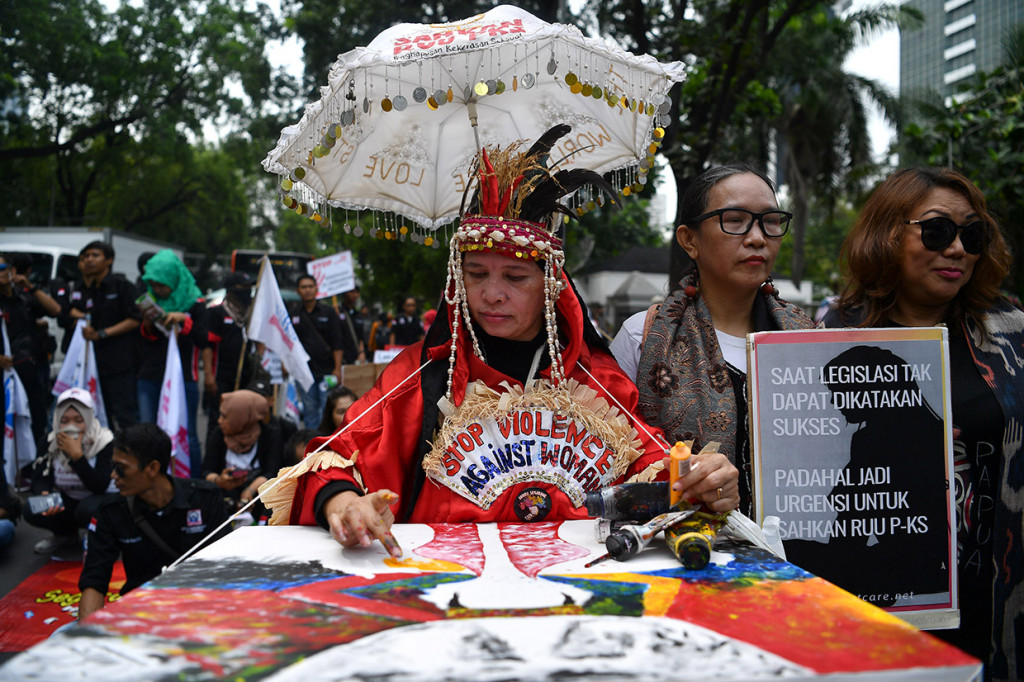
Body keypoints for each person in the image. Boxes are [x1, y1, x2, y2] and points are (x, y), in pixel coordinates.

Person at [260, 127, 740, 557]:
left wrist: (701, 479)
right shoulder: (422, 380)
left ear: (551, 283)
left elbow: (656, 473)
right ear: (457, 278)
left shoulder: (596, 383)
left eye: (514, 276)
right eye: (476, 273)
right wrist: (344, 503)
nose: (492, 294)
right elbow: (334, 461)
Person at [819, 167, 1020, 681]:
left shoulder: (1012, 330)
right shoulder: (829, 335)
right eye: (937, 231)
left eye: (972, 234)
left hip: (996, 600)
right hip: (880, 605)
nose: (957, 249)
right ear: (888, 235)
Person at [611, 163, 813, 517]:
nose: (757, 237)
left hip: (800, 551)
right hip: (687, 554)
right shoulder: (643, 338)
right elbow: (606, 463)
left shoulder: (810, 339)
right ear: (690, 240)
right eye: (734, 220)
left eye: (770, 221)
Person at [77, 423, 230, 621]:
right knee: (61, 637)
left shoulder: (205, 499)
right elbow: (94, 582)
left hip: (197, 607)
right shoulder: (110, 511)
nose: (113, 476)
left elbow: (227, 568)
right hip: (141, 611)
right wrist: (86, 635)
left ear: (152, 468)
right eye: (113, 466)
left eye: (121, 469)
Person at [137, 250, 208, 474]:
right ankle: (152, 480)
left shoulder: (195, 303)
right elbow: (144, 340)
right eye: (153, 285)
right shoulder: (152, 300)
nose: (157, 290)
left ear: (173, 279)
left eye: (161, 285)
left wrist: (183, 320)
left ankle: (193, 481)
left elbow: (203, 337)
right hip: (150, 376)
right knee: (148, 432)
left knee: (187, 435)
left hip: (183, 378)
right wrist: (148, 322)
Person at [58, 241, 142, 431]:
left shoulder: (122, 286)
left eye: (95, 256)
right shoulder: (83, 288)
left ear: (109, 260)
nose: (89, 260)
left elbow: (135, 319)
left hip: (118, 365)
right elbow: (66, 314)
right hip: (90, 367)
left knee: (125, 416)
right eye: (86, 256)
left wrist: (102, 334)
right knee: (94, 416)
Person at [24, 388, 116, 555]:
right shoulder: (50, 440)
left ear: (88, 419)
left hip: (102, 500)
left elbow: (100, 485)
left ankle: (100, 537)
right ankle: (64, 535)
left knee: (87, 509)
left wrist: (77, 457)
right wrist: (44, 493)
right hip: (71, 499)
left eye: (78, 420)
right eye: (64, 420)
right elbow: (40, 476)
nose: (70, 426)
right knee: (32, 508)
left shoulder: (105, 441)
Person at [0, 253, 60, 446]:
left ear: (12, 270)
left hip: (30, 369)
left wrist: (30, 286)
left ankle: (33, 469)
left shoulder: (24, 296)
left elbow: (55, 310)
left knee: (37, 419)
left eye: (3, 268)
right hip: (5, 372)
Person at [202, 389, 284, 510]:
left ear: (242, 418)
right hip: (223, 499)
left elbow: (272, 473)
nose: (219, 421)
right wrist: (220, 481)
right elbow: (207, 470)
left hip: (259, 500)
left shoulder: (270, 435)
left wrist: (250, 491)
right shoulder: (219, 434)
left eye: (225, 416)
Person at [290, 274, 345, 429]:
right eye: (303, 287)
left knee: (328, 408)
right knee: (310, 411)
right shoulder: (293, 314)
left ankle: (329, 444)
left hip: (327, 371)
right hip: (304, 372)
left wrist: (337, 368)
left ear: (316, 289)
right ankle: (312, 447)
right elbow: (289, 343)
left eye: (310, 286)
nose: (307, 290)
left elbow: (337, 342)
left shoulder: (328, 312)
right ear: (298, 291)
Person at [203, 271, 257, 418]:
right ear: (232, 289)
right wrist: (209, 375)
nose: (247, 291)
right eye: (243, 287)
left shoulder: (251, 315)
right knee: (220, 418)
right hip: (222, 377)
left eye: (249, 287)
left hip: (246, 375)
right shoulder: (216, 313)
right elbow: (208, 346)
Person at [338, 287, 367, 364]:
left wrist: (361, 352)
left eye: (357, 292)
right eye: (352, 292)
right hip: (341, 357)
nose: (355, 295)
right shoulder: (336, 312)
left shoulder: (358, 315)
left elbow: (361, 337)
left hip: (356, 356)